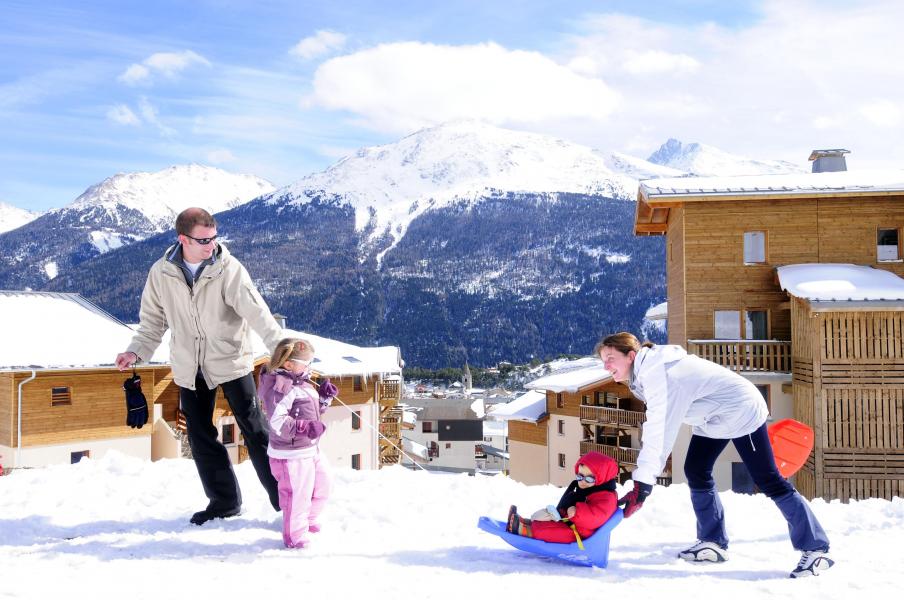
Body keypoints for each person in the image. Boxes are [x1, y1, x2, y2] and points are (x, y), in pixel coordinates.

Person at [596, 332, 833, 578]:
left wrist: (643, 484)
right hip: (714, 416)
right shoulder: (646, 374)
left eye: (611, 358)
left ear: (631, 356)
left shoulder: (660, 375)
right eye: (603, 360)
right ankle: (713, 543)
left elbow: (659, 432)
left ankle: (816, 550)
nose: (606, 366)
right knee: (696, 469)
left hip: (741, 410)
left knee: (768, 479)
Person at [115, 207, 286, 525]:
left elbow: (257, 312)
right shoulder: (161, 273)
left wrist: (281, 348)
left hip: (231, 361)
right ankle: (223, 503)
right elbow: (153, 321)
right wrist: (135, 352)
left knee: (256, 430)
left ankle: (285, 501)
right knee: (199, 435)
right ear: (183, 239)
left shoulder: (228, 268)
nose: (211, 245)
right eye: (204, 240)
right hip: (188, 365)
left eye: (214, 237)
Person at [257, 338, 336, 548]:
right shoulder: (281, 388)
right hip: (290, 455)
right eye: (306, 362)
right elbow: (277, 421)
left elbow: (310, 412)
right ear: (289, 364)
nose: (310, 367)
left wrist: (324, 400)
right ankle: (294, 536)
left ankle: (308, 520)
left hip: (309, 449)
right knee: (297, 496)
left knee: (323, 483)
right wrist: (305, 428)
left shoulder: (304, 384)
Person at [506, 451, 619, 544]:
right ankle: (524, 522)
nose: (583, 481)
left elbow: (595, 517)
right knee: (544, 519)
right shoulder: (591, 489)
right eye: (580, 476)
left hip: (581, 534)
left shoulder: (607, 498)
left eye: (589, 479)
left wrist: (577, 512)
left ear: (602, 478)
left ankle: (523, 530)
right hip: (573, 524)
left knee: (547, 531)